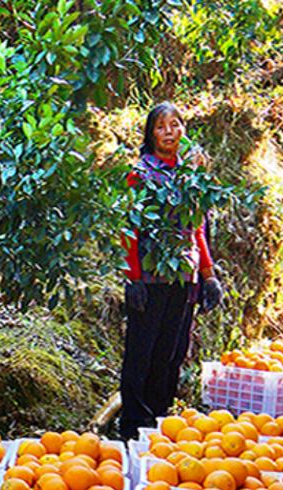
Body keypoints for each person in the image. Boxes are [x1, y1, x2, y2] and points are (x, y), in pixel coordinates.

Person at [119, 102, 223, 442]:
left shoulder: (190, 177)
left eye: (175, 124)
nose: (169, 131)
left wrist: (208, 276)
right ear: (151, 134)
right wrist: (132, 277)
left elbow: (197, 230)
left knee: (171, 353)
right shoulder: (140, 174)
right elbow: (128, 229)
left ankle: (159, 422)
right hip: (149, 278)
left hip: (183, 278)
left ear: (183, 130)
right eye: (161, 126)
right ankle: (133, 427)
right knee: (142, 353)